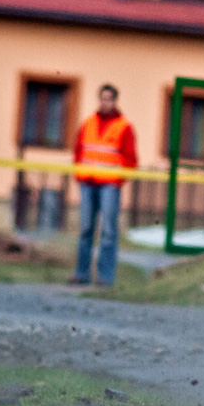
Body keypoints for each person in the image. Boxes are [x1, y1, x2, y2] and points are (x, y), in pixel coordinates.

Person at [70, 83, 137, 287]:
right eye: (103, 98)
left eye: (109, 99)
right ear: (99, 99)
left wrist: (117, 180)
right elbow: (78, 151)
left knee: (108, 231)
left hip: (109, 185)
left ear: (115, 101)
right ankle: (81, 274)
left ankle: (105, 278)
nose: (105, 102)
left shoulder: (124, 127)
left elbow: (130, 159)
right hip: (88, 183)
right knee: (86, 229)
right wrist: (79, 175)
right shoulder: (88, 123)